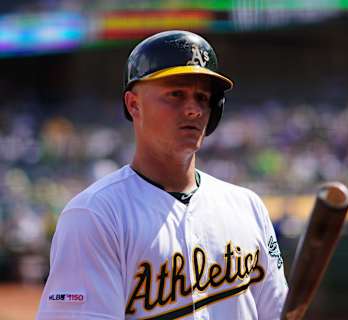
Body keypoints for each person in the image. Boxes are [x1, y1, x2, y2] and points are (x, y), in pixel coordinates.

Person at [36, 30, 288, 320]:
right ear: (134, 104)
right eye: (176, 95)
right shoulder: (95, 214)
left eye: (203, 97)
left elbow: (277, 312)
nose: (194, 110)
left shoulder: (248, 207)